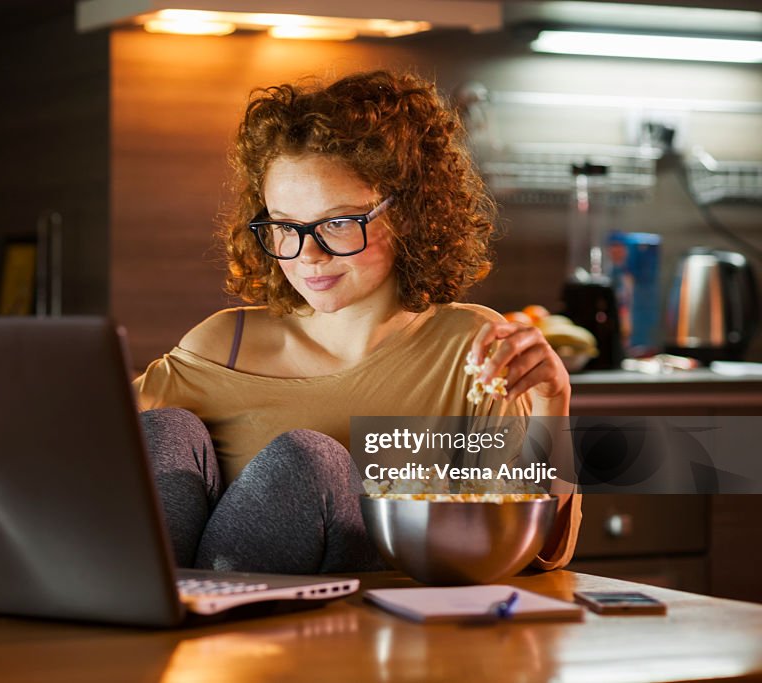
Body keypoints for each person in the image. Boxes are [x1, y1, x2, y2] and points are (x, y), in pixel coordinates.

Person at [134, 70, 581, 574]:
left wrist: (551, 402)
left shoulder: (472, 351)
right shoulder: (221, 345)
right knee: (161, 429)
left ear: (408, 214)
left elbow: (522, 545)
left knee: (309, 460)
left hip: (362, 634)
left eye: (339, 222)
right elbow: (81, 448)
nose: (308, 254)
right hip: (175, 616)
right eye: (284, 226)